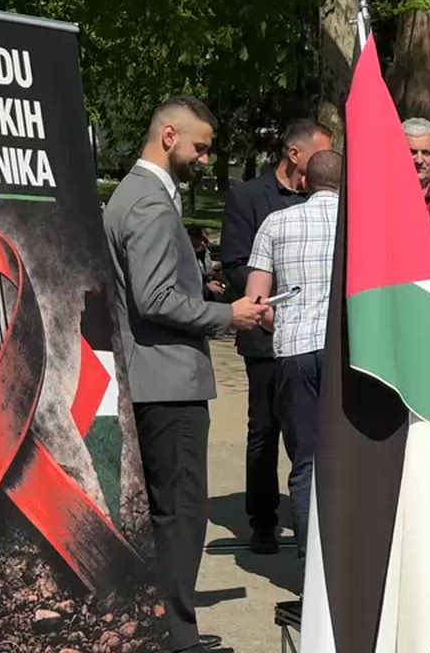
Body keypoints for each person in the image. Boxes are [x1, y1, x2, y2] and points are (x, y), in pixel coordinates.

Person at [103, 96, 267, 653]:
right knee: (181, 513)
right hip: (166, 382)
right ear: (169, 136)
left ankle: (165, 627)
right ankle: (175, 635)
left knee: (167, 512)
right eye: (201, 147)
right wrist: (228, 315)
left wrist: (207, 295)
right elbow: (153, 299)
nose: (205, 158)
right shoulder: (149, 203)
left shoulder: (134, 195)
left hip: (154, 377)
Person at [220, 118, 332, 554]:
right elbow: (235, 263)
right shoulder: (249, 197)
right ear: (295, 154)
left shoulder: (315, 199)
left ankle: (312, 521)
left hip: (303, 336)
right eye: (320, 153)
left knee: (311, 441)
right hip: (267, 333)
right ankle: (263, 519)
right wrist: (272, 305)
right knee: (265, 428)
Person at [245, 150, 341, 558]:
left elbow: (257, 302)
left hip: (295, 350)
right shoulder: (361, 226)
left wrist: (279, 323)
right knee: (348, 460)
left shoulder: (276, 222)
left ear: (304, 181)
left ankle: (308, 561)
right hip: (346, 353)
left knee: (306, 461)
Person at [188, 226, 226, 301]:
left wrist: (213, 277)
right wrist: (207, 286)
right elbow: (187, 281)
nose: (201, 243)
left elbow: (205, 272)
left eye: (204, 240)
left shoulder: (206, 253)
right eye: (197, 239)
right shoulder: (184, 257)